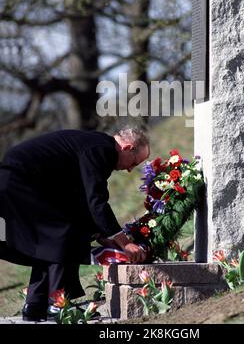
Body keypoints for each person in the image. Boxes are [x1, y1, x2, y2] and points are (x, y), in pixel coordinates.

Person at [0, 127, 149, 321]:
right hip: (19, 182)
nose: (130, 169)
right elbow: (96, 201)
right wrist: (124, 243)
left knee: (55, 237)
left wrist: (101, 235)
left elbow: (78, 199)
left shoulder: (95, 144)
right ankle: (58, 304)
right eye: (134, 163)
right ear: (128, 147)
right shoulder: (102, 150)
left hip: (18, 183)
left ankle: (36, 305)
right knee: (62, 233)